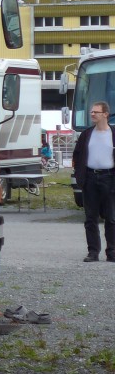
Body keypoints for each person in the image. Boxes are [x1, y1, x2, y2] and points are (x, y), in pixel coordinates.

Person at [72, 101, 115, 262]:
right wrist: (79, 175)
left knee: (111, 218)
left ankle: (112, 252)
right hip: (90, 178)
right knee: (90, 218)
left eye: (96, 112)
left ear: (105, 114)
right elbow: (77, 155)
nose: (92, 114)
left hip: (109, 178)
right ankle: (93, 252)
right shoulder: (86, 134)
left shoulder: (113, 134)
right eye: (91, 112)